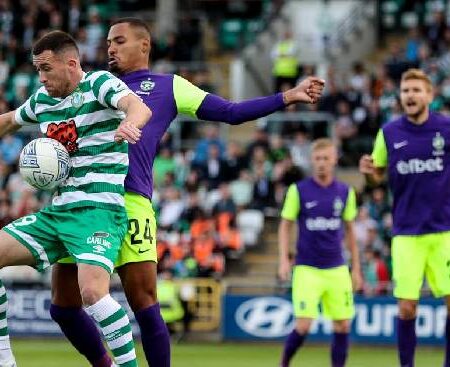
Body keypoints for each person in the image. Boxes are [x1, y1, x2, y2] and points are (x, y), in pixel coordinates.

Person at [50, 17, 325, 367]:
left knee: (144, 302)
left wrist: (288, 96)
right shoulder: (93, 85)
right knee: (62, 306)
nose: (111, 48)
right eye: (108, 43)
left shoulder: (167, 86)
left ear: (144, 45)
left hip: (130, 201)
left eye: (119, 41)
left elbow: (231, 112)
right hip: (83, 203)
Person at [0, 30, 151, 367]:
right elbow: (10, 120)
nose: (41, 77)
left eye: (46, 68)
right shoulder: (42, 100)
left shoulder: (98, 84)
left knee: (92, 294)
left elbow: (137, 107)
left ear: (71, 64)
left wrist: (130, 123)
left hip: (98, 211)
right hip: (58, 212)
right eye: (37, 69)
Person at [359, 68, 450, 367]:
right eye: (405, 90)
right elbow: (377, 178)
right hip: (406, 232)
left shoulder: (446, 129)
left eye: (415, 90)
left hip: (444, 231)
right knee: (407, 308)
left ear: (429, 95)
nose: (409, 95)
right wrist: (370, 174)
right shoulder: (388, 133)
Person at [278, 138, 362, 367]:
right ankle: (283, 362)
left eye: (326, 158)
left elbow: (351, 231)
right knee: (304, 325)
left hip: (337, 268)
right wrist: (284, 260)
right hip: (308, 268)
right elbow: (285, 225)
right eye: (318, 159)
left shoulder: (345, 192)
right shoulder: (299, 190)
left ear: (334, 160)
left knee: (343, 324)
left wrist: (356, 268)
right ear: (311, 161)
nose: (322, 163)